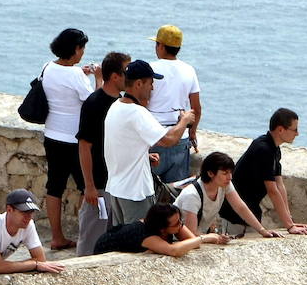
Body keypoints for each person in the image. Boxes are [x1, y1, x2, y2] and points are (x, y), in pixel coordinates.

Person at [103, 60, 194, 226]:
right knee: (139, 244)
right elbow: (169, 140)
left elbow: (122, 144)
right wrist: (184, 121)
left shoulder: (116, 106)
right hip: (135, 192)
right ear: (139, 83)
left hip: (117, 189)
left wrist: (143, 157)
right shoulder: (137, 113)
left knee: (121, 244)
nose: (152, 88)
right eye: (151, 83)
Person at [40, 28, 100, 250]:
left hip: (52, 134)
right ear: (75, 49)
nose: (83, 52)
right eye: (82, 48)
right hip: (75, 140)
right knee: (87, 188)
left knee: (54, 187)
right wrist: (98, 78)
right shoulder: (75, 75)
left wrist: (81, 75)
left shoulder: (47, 67)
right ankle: (87, 236)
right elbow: (94, 101)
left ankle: (57, 237)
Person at [76, 51, 130, 256]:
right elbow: (84, 146)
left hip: (117, 183)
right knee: (91, 236)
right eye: (127, 72)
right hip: (99, 185)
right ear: (115, 76)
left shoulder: (122, 103)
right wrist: (89, 186)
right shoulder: (94, 104)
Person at [235, 108, 307, 236]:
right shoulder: (263, 149)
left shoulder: (274, 149)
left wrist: (290, 221)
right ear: (281, 129)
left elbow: (279, 185)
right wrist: (289, 226)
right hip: (237, 215)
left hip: (252, 211)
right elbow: (272, 190)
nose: (297, 133)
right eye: (294, 129)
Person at [174, 151, 278, 237]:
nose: (230, 177)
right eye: (225, 173)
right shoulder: (192, 195)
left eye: (230, 173)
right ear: (210, 173)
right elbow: (190, 233)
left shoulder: (224, 185)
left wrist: (262, 230)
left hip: (202, 235)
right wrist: (215, 238)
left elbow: (240, 207)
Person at [145, 25, 201, 183]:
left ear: (161, 46)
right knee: (175, 194)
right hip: (180, 138)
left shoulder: (150, 69)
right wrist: (192, 132)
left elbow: (141, 103)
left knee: (147, 194)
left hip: (154, 137)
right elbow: (196, 108)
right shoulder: (189, 70)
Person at [92, 203, 229, 257]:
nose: (181, 225)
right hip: (105, 248)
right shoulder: (147, 235)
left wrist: (181, 229)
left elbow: (190, 241)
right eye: (176, 224)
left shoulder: (173, 224)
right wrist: (205, 237)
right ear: (162, 229)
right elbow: (173, 251)